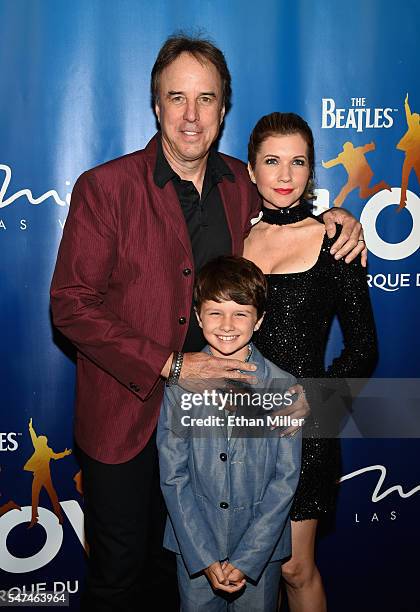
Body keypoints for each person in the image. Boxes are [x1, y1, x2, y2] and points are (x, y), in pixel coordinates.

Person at [50, 35, 366, 611]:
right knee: (122, 575)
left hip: (223, 428)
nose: (191, 115)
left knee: (199, 581)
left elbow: (290, 213)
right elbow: (71, 304)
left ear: (224, 110)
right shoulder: (104, 188)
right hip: (127, 418)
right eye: (177, 98)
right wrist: (172, 365)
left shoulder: (243, 184)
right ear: (156, 106)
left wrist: (339, 219)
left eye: (206, 99)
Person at [243, 112, 378, 612]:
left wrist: (313, 402)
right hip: (232, 427)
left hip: (303, 431)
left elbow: (364, 349)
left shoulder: (334, 243)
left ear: (310, 172)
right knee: (246, 567)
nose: (284, 175)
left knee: (294, 568)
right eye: (271, 161)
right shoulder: (231, 244)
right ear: (251, 171)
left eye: (297, 162)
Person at [158, 255, 302, 611]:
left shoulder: (285, 387)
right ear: (197, 316)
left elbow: (285, 480)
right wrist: (205, 557)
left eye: (241, 313)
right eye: (215, 312)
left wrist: (249, 558)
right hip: (194, 550)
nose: (227, 324)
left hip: (260, 555)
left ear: (260, 319)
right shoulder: (180, 387)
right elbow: (173, 475)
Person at [23, 418, 72, 528]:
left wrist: (30, 428)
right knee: (49, 495)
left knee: (38, 496)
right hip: (43, 476)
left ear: (42, 441)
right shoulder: (45, 449)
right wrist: (65, 453)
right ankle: (50, 516)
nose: (39, 440)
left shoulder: (42, 448)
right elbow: (56, 456)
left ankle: (55, 515)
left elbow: (34, 438)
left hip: (42, 476)